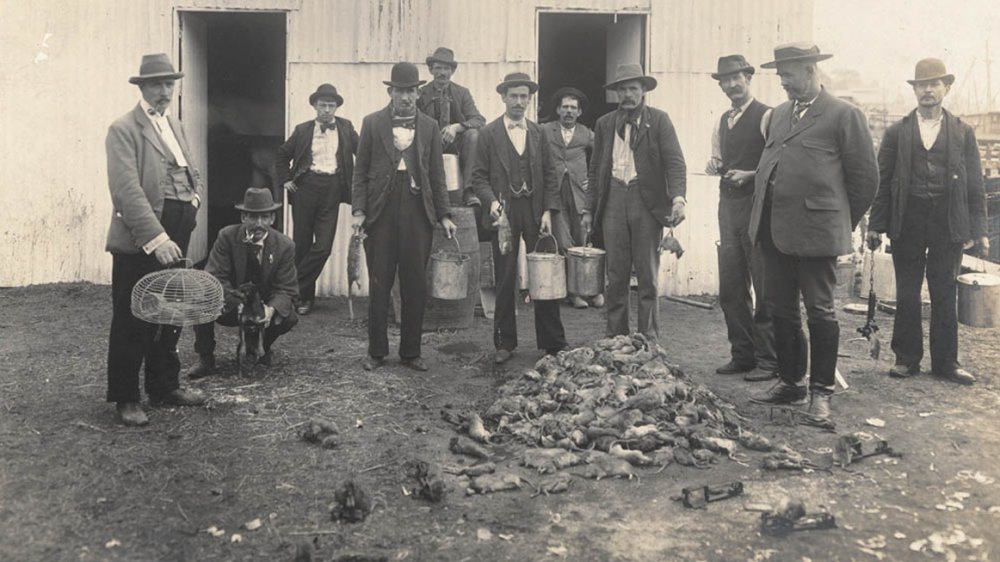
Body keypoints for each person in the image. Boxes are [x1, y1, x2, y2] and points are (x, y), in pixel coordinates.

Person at [747, 43, 879, 429]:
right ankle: (791, 382)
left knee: (820, 311)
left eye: (788, 74)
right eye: (781, 75)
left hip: (817, 234)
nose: (783, 82)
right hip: (774, 230)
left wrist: (837, 222)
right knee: (781, 309)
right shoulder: (779, 115)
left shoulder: (844, 115)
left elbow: (865, 181)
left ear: (810, 71)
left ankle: (821, 394)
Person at [867, 58, 988, 385]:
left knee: (944, 291)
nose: (928, 90)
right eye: (922, 85)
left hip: (947, 221)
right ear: (915, 90)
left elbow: (975, 185)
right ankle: (906, 359)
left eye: (934, 84)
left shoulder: (963, 132)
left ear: (946, 88)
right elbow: (883, 180)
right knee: (906, 292)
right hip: (908, 219)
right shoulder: (897, 132)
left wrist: (980, 230)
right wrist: (875, 225)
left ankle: (946, 363)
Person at [105, 53, 207, 426]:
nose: (164, 91)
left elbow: (189, 170)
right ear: (142, 87)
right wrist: (156, 237)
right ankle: (127, 398)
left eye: (169, 84)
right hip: (144, 239)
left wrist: (195, 200)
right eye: (157, 84)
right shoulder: (124, 129)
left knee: (171, 313)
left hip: (178, 231)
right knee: (135, 314)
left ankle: (165, 386)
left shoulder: (175, 125)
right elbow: (126, 191)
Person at [351, 62, 457, 372]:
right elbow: (360, 172)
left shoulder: (429, 126)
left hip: (416, 211)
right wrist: (359, 210)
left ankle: (411, 352)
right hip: (380, 212)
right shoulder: (372, 123)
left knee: (414, 284)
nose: (407, 97)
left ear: (417, 93)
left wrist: (445, 214)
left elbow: (437, 174)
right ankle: (376, 352)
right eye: (401, 91)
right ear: (390, 92)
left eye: (411, 91)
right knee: (380, 282)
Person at [470, 72, 568, 364]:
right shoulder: (488, 134)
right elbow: (478, 177)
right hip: (505, 215)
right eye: (513, 96)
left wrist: (549, 211)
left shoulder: (540, 133)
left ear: (529, 99)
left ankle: (553, 343)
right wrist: (492, 206)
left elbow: (551, 176)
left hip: (536, 212)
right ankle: (504, 342)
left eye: (524, 96)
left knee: (544, 275)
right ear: (503, 97)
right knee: (505, 277)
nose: (518, 102)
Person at [587, 63, 687, 342]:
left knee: (647, 275)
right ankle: (615, 338)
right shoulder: (605, 124)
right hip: (613, 201)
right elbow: (595, 170)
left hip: (647, 201)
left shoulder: (659, 120)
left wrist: (678, 199)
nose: (627, 94)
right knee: (616, 274)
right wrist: (588, 208)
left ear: (643, 90)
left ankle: (648, 339)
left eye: (633, 88)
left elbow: (675, 163)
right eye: (622, 89)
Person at [705, 55, 778, 382]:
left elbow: (779, 163)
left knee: (763, 286)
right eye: (726, 80)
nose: (732, 84)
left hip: (757, 207)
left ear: (749, 79)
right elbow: (718, 159)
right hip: (728, 208)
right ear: (720, 85)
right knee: (731, 286)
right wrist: (714, 166)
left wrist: (750, 174)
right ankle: (742, 354)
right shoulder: (721, 121)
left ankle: (768, 360)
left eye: (737, 78)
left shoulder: (767, 117)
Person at [184, 189, 299, 378]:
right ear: (243, 217)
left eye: (264, 218)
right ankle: (206, 358)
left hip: (263, 308)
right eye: (253, 218)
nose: (259, 224)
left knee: (288, 315)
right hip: (231, 305)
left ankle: (259, 349)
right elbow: (214, 277)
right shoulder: (226, 237)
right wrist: (237, 304)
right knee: (201, 299)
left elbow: (287, 289)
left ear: (272, 219)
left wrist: (269, 311)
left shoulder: (285, 246)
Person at [275, 84, 359, 316]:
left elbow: (363, 151)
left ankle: (289, 287)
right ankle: (304, 298)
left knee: (323, 247)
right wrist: (285, 180)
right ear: (314, 106)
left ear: (336, 108)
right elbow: (282, 155)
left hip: (332, 189)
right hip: (305, 188)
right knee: (301, 245)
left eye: (331, 106)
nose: (327, 110)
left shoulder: (345, 127)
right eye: (323, 105)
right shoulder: (302, 130)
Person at [542, 86, 603, 310]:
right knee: (564, 242)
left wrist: (594, 181)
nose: (569, 111)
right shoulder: (545, 130)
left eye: (573, 108)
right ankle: (573, 292)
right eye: (565, 107)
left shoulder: (586, 134)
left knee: (584, 240)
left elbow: (605, 153)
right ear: (558, 110)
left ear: (579, 112)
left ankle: (591, 289)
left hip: (579, 193)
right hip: (555, 193)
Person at [417, 47, 485, 207]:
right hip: (428, 144)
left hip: (455, 146)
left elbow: (479, 119)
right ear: (431, 70)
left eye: (446, 68)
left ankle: (469, 191)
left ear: (452, 71)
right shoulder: (421, 93)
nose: (442, 73)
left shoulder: (462, 93)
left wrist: (456, 127)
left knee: (474, 135)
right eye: (438, 68)